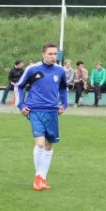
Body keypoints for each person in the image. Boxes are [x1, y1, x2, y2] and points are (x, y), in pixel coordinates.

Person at [16, 43, 68, 191]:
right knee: (40, 143)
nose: (53, 56)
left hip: (52, 112)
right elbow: (19, 86)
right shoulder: (32, 69)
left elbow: (64, 89)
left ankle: (42, 178)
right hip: (35, 110)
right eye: (50, 54)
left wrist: (64, 105)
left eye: (55, 54)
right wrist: (21, 105)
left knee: (48, 145)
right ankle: (38, 177)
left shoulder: (60, 70)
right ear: (43, 54)